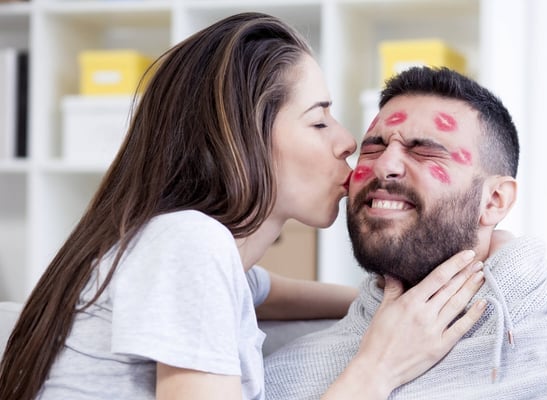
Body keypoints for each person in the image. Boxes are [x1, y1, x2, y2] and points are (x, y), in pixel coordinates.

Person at [0, 13, 490, 400]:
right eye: (319, 121)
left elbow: (269, 292)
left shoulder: (203, 258)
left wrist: (392, 302)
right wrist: (378, 367)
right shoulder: (189, 244)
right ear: (242, 139)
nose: (348, 142)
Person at [264, 66, 547, 399]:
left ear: (494, 201)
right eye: (373, 148)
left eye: (424, 150)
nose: (385, 165)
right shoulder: (280, 377)